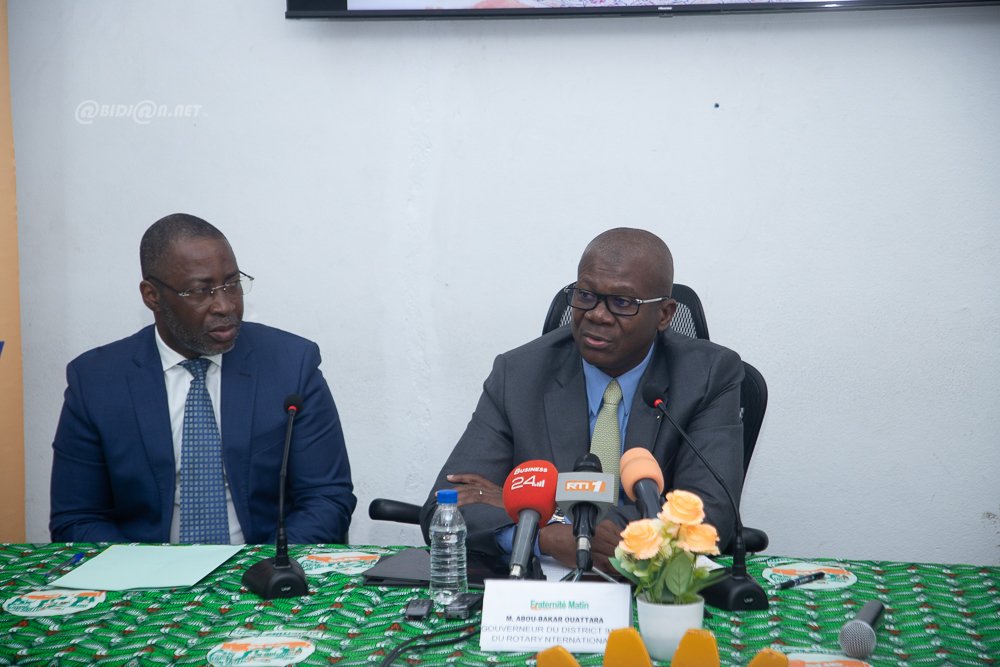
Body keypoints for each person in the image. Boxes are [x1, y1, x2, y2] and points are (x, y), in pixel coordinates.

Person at [419, 228, 744, 574]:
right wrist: (540, 537)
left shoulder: (707, 376)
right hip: (541, 586)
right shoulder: (518, 374)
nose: (597, 314)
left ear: (664, 315)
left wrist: (550, 516)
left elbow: (709, 512)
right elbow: (446, 507)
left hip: (651, 586)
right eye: (586, 295)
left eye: (623, 302)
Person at [49, 213, 356, 544]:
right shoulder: (97, 382)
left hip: (262, 562)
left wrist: (263, 565)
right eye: (200, 291)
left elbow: (327, 498)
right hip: (145, 567)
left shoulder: (290, 365)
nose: (225, 305)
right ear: (152, 295)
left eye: (232, 284)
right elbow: (77, 518)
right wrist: (145, 567)